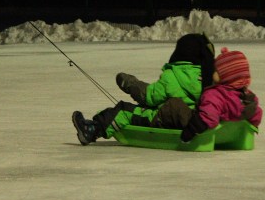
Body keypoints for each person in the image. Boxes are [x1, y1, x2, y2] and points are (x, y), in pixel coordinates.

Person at [71, 33, 214, 145]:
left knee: (123, 110)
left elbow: (149, 96)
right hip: (192, 119)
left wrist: (131, 83)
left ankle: (92, 130)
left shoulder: (174, 75)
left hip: (167, 119)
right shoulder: (207, 75)